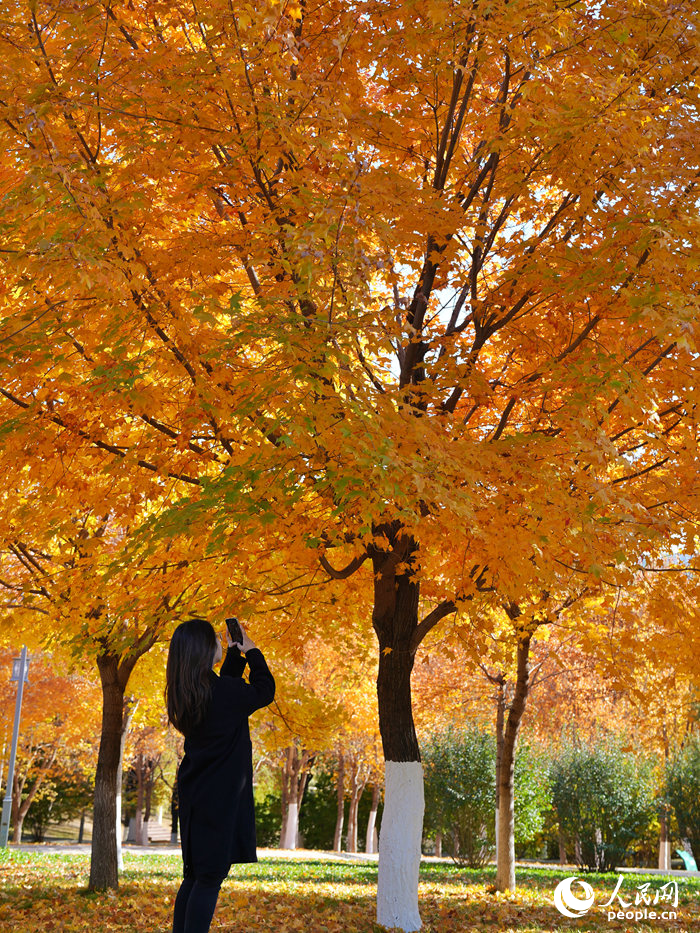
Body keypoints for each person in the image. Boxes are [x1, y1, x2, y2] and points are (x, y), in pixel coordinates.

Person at [165, 617, 275, 933]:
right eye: (215, 638)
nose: (219, 641)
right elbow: (264, 690)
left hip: (196, 794)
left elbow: (225, 689)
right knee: (210, 878)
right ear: (202, 649)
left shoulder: (187, 693)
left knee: (195, 876)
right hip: (220, 799)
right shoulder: (223, 693)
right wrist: (252, 651)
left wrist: (234, 655)